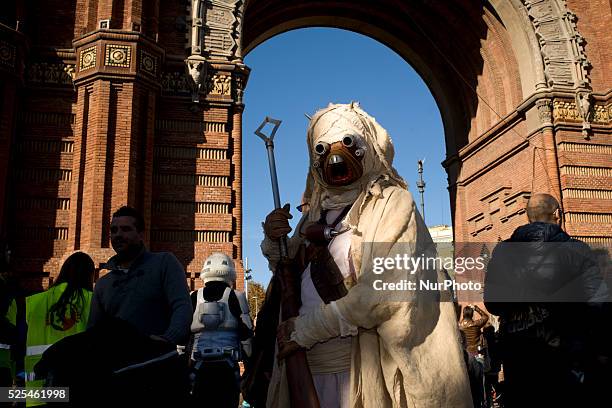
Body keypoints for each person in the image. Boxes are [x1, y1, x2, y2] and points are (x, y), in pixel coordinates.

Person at [257, 102, 471, 407]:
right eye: (322, 149)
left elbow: (384, 291)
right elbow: (286, 270)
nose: (334, 157)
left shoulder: (391, 203)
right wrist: (272, 238)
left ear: (367, 146)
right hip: (305, 367)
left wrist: (308, 329)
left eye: (347, 143)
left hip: (362, 371)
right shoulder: (313, 215)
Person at [484, 193, 609, 407]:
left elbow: (493, 304)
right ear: (557, 214)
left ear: (528, 217)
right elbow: (600, 305)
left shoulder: (503, 252)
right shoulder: (577, 250)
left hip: (519, 359)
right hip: (567, 357)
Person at [88, 205, 193, 403]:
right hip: (118, 377)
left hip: (159, 373)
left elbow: (182, 306)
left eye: (126, 229)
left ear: (140, 234)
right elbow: (94, 330)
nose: (118, 235)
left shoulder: (164, 263)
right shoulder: (103, 284)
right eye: (114, 230)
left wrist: (167, 338)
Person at [22, 251, 95, 406]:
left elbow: (19, 341)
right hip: (77, 382)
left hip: (37, 387)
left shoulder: (33, 302)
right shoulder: (93, 301)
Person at [189, 252, 253, 407]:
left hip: (198, 367)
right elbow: (246, 335)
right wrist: (250, 366)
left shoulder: (193, 297)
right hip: (227, 368)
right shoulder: (236, 296)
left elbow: (183, 336)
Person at [459, 305, 489, 408]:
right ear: (471, 314)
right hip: (477, 355)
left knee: (469, 383)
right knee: (481, 382)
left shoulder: (459, 326)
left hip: (466, 357)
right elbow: (485, 317)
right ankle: (482, 403)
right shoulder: (475, 325)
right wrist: (476, 308)